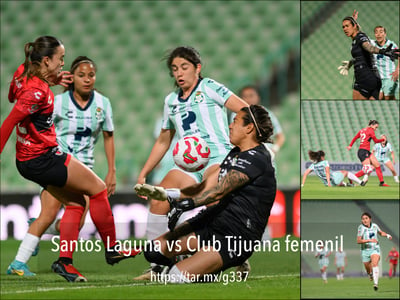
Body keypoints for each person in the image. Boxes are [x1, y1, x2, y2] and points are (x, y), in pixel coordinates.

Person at [0, 37, 136, 282]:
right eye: (60, 59)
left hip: (29, 160)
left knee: (75, 205)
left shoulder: (25, 74)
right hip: (44, 157)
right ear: (46, 60)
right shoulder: (36, 91)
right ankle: (112, 249)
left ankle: (65, 263)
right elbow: (10, 121)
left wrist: (51, 80)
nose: (63, 64)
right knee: (98, 190)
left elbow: (12, 95)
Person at [134, 46, 248, 280]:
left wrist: (241, 140)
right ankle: (158, 264)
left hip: (219, 157)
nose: (179, 73)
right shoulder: (171, 101)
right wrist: (144, 173)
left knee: (213, 196)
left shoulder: (209, 87)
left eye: (184, 67)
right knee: (158, 199)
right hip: (190, 165)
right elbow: (164, 139)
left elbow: (244, 109)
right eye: (175, 69)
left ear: (197, 68)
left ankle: (235, 254)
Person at [135, 105, 276, 283]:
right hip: (211, 222)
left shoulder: (256, 158)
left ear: (249, 128)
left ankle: (212, 266)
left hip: (236, 235)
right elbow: (204, 188)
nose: (230, 126)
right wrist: (167, 194)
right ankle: (203, 263)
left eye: (235, 121)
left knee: (175, 278)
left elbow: (218, 191)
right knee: (153, 251)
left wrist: (186, 205)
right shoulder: (235, 154)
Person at [338, 13, 399, 100]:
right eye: (343, 27)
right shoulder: (359, 38)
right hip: (375, 79)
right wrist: (351, 62)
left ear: (354, 26)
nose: (345, 29)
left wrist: (382, 51)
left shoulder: (360, 37)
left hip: (365, 78)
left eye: (347, 26)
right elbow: (363, 53)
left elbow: (369, 47)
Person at [236, 85, 285, 154]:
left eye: (251, 96)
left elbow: (280, 136)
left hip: (264, 155)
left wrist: (273, 150)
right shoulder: (236, 115)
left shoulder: (267, 114)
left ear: (258, 97)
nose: (248, 99)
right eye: (245, 96)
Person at [357, 212, 392, 291]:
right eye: (363, 219)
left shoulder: (375, 226)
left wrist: (387, 235)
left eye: (366, 218)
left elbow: (380, 233)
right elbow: (358, 241)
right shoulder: (361, 228)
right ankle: (370, 274)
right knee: (368, 268)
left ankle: (375, 284)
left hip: (375, 249)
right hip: (365, 250)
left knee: (375, 263)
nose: (365, 220)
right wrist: (369, 240)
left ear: (370, 219)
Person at [347, 120, 388, 186]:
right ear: (372, 125)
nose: (376, 129)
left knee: (377, 165)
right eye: (376, 127)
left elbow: (355, 137)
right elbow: (376, 141)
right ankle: (352, 177)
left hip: (365, 151)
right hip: (363, 151)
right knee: (368, 169)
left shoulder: (362, 130)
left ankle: (381, 182)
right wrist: (383, 140)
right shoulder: (371, 130)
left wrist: (350, 145)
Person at [371, 26, 399, 100]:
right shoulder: (372, 44)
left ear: (385, 34)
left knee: (388, 98)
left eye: (381, 32)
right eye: (376, 32)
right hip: (378, 78)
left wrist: (397, 70)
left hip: (390, 76)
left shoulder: (391, 45)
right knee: (377, 98)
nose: (378, 34)